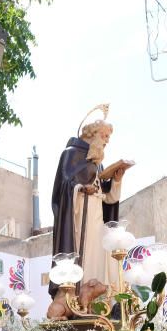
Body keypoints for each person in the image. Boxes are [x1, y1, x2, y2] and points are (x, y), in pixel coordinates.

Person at [49, 106, 126, 301]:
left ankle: (97, 301)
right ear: (92, 134)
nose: (107, 141)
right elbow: (64, 186)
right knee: (85, 257)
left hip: (96, 219)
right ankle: (75, 299)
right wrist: (81, 189)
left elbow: (107, 197)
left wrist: (116, 180)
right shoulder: (71, 153)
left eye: (108, 137)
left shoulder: (96, 161)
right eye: (105, 135)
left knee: (100, 257)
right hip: (78, 221)